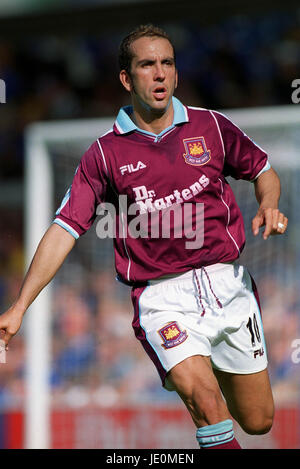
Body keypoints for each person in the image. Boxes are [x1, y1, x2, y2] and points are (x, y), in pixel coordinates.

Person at [0, 24, 288, 449]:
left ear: (176, 73)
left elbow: (262, 170)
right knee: (206, 401)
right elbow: (64, 229)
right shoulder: (105, 153)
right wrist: (19, 306)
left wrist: (268, 202)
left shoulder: (211, 127)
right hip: (161, 298)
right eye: (147, 65)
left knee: (259, 420)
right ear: (126, 77)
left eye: (167, 64)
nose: (159, 74)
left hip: (228, 286)